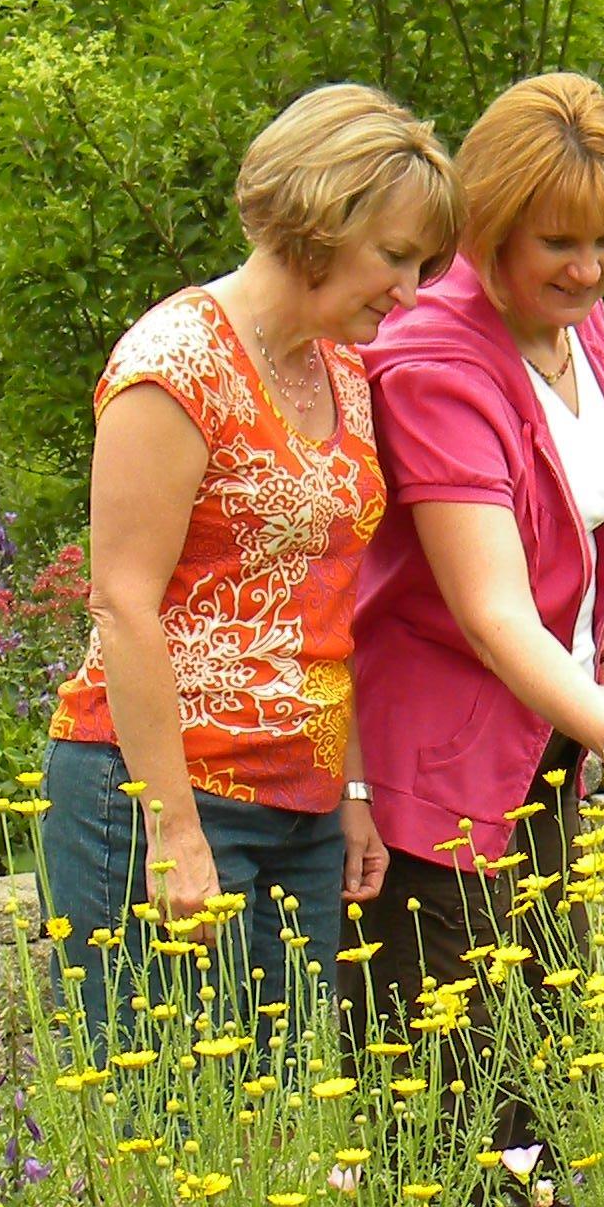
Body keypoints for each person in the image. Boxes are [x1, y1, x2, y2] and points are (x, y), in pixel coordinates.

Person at [41, 83, 460, 1053]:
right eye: (395, 257)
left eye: (424, 264)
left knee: (286, 1133)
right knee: (169, 1127)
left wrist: (349, 793)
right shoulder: (174, 365)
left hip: (302, 809)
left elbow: (332, 600)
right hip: (158, 800)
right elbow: (124, 607)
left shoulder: (343, 373)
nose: (410, 290)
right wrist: (175, 831)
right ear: (320, 218)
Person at [348, 72, 604, 1050]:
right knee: (459, 1098)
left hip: (542, 748)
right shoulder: (434, 366)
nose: (588, 271)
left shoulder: (574, 323)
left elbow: (566, 526)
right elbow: (494, 609)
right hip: (440, 768)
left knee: (552, 1069)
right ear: (491, 225)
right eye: (559, 244)